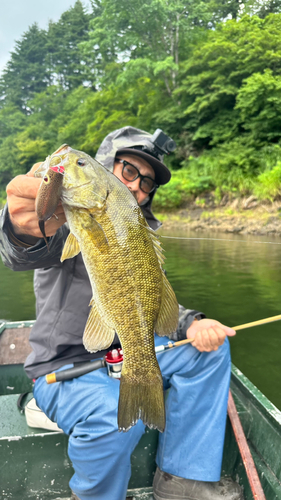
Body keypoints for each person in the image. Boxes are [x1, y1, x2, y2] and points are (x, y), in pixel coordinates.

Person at [0, 126, 243, 500]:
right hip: (64, 368)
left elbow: (150, 297)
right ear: (103, 165)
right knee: (115, 419)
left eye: (148, 183)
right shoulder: (68, 218)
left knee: (208, 351)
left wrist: (192, 321)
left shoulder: (139, 232)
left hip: (125, 353)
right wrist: (20, 227)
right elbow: (22, 249)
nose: (138, 187)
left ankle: (182, 478)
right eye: (129, 170)